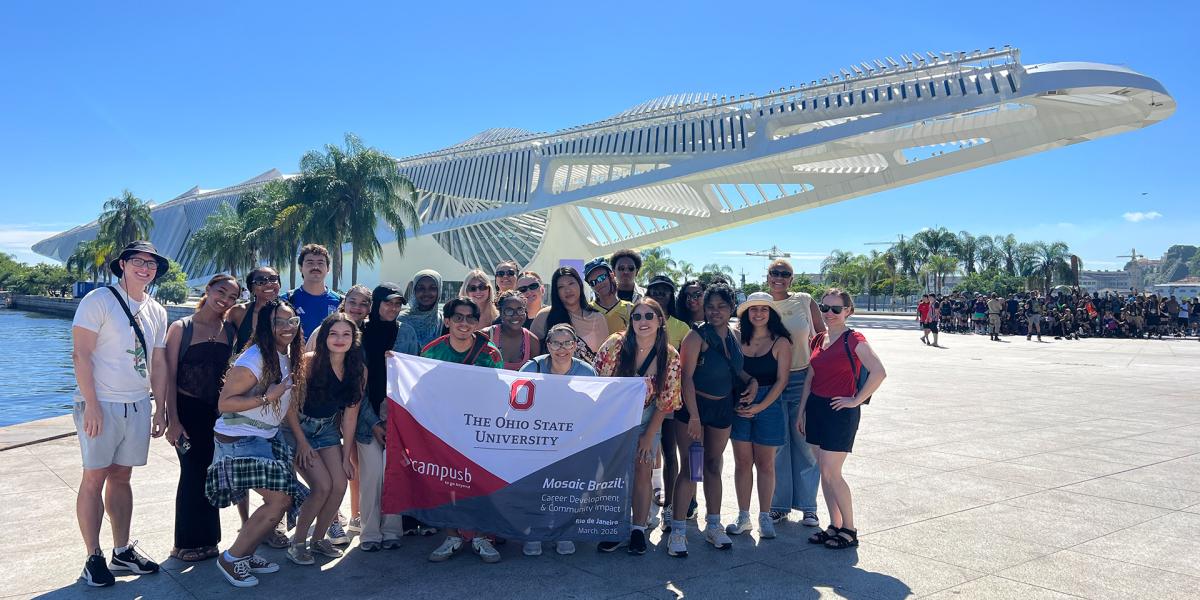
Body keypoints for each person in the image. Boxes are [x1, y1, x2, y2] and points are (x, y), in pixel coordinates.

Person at [71, 241, 170, 586]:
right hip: (102, 403)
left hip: (138, 404)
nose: (145, 268)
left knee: (122, 477)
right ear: (123, 265)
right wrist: (92, 405)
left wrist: (161, 407)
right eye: (138, 262)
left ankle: (122, 550)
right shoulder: (98, 300)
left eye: (151, 264)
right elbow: (80, 355)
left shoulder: (157, 310)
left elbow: (158, 363)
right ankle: (93, 556)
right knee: (94, 478)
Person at [208, 299, 304, 587]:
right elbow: (225, 403)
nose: (287, 327)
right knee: (280, 499)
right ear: (265, 325)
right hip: (239, 439)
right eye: (279, 322)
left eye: (292, 321)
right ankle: (232, 558)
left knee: (280, 499)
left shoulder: (282, 355)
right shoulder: (254, 359)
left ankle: (245, 553)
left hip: (263, 436)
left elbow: (284, 401)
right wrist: (266, 397)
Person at [668, 283, 758, 557]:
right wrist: (694, 416)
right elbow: (686, 378)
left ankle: (714, 525)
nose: (715, 311)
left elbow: (735, 371)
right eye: (710, 307)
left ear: (731, 308)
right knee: (691, 468)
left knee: (712, 466)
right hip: (695, 411)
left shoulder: (734, 335)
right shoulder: (696, 337)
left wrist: (751, 381)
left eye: (721, 306)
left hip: (722, 410)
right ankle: (678, 531)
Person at [593, 298, 682, 555]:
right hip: (614, 417)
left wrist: (649, 435)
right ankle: (617, 527)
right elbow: (600, 382)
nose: (643, 322)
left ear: (660, 321)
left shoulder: (669, 355)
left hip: (647, 416)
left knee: (643, 470)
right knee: (615, 474)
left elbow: (666, 401)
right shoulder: (615, 345)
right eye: (637, 317)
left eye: (648, 316)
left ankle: (637, 529)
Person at [163, 274, 240, 563]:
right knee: (192, 473)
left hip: (215, 413)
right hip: (186, 409)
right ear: (208, 290)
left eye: (232, 297)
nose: (226, 299)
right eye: (221, 291)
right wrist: (172, 419)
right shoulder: (182, 327)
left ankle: (209, 539)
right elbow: (168, 376)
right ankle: (184, 542)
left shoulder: (229, 330)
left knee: (211, 472)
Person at [423, 299, 506, 564]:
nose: (464, 323)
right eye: (458, 317)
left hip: (479, 428)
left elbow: (499, 393)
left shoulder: (490, 354)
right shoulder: (431, 352)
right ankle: (451, 535)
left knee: (481, 483)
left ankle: (482, 537)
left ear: (477, 323)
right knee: (447, 483)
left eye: (470, 318)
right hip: (444, 429)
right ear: (447, 321)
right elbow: (422, 392)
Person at [803, 289, 886, 551]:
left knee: (831, 472)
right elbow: (810, 377)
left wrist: (856, 399)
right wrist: (801, 411)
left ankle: (849, 528)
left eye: (836, 309)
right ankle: (835, 525)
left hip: (841, 411)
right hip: (816, 408)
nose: (829, 313)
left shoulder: (855, 339)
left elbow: (879, 372)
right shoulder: (818, 340)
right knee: (824, 474)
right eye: (824, 307)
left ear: (848, 311)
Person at [282, 313, 363, 565]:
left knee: (339, 485)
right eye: (334, 333)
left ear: (354, 339)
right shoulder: (308, 362)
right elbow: (290, 409)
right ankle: (298, 544)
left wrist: (347, 455)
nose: (340, 339)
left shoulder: (358, 371)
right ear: (324, 337)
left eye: (346, 334)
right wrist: (302, 443)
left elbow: (350, 418)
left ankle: (318, 540)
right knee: (322, 487)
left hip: (328, 430)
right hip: (299, 429)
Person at [518, 323, 597, 557]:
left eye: (567, 343)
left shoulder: (586, 372)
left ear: (575, 345)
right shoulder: (531, 368)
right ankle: (534, 532)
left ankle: (564, 531)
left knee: (568, 488)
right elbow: (518, 403)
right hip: (537, 437)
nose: (561, 348)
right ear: (547, 345)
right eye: (556, 343)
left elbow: (594, 409)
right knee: (537, 487)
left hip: (573, 439)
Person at [357, 284, 422, 552]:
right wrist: (373, 422)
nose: (393, 308)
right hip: (364, 417)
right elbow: (355, 384)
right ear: (376, 304)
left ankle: (393, 530)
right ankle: (369, 532)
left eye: (397, 304)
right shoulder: (359, 334)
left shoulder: (406, 332)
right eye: (388, 303)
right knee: (372, 476)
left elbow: (414, 376)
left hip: (397, 416)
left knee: (393, 474)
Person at [763, 260, 824, 529]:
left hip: (802, 378)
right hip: (771, 380)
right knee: (777, 445)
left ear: (792, 278)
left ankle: (809, 507)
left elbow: (822, 337)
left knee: (805, 443)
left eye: (784, 274)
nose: (779, 278)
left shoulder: (804, 301)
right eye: (774, 273)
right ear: (767, 277)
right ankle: (778, 506)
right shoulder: (760, 303)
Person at [729, 293, 792, 539]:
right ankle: (743, 516)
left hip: (770, 405)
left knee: (766, 464)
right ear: (745, 313)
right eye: (753, 309)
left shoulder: (780, 342)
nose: (758, 314)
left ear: (771, 313)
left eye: (763, 309)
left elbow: (782, 381)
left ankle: (764, 516)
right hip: (740, 404)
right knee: (742, 463)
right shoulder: (736, 338)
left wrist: (761, 406)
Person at [642, 275, 690, 522]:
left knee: (671, 454)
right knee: (645, 455)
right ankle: (645, 505)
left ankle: (671, 506)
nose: (660, 294)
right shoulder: (640, 319)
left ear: (672, 295)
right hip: (644, 403)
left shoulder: (682, 327)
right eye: (655, 290)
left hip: (671, 400)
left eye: (665, 290)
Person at [530, 266, 608, 362]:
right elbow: (532, 353)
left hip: (588, 375)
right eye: (561, 287)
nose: (567, 290)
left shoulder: (597, 317)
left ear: (580, 284)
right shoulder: (544, 316)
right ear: (556, 292)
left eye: (571, 283)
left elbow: (604, 358)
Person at [281, 244, 343, 341]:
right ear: (301, 268)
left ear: (328, 269)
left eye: (320, 263)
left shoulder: (341, 302)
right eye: (310, 263)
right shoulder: (286, 301)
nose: (315, 267)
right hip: (295, 355)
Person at [229, 266, 281, 352]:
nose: (268, 284)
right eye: (261, 281)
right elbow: (225, 345)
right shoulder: (239, 312)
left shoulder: (288, 312)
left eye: (273, 279)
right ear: (251, 288)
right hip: (244, 364)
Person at [305, 284, 372, 352]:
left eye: (363, 303)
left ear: (369, 308)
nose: (357, 307)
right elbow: (307, 359)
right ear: (344, 303)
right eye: (352, 302)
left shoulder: (372, 333)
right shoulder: (324, 330)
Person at [485, 291, 539, 370]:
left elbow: (534, 375)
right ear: (501, 313)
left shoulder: (532, 341)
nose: (515, 315)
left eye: (520, 310)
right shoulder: (487, 335)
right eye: (509, 311)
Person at [584, 257, 634, 334]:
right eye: (593, 282)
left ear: (611, 275)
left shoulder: (630, 309)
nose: (599, 284)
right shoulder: (588, 311)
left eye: (601, 278)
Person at [397, 269, 445, 348]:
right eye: (421, 288)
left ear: (439, 291)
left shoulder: (445, 322)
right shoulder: (401, 320)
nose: (426, 293)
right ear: (414, 291)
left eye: (432, 288)